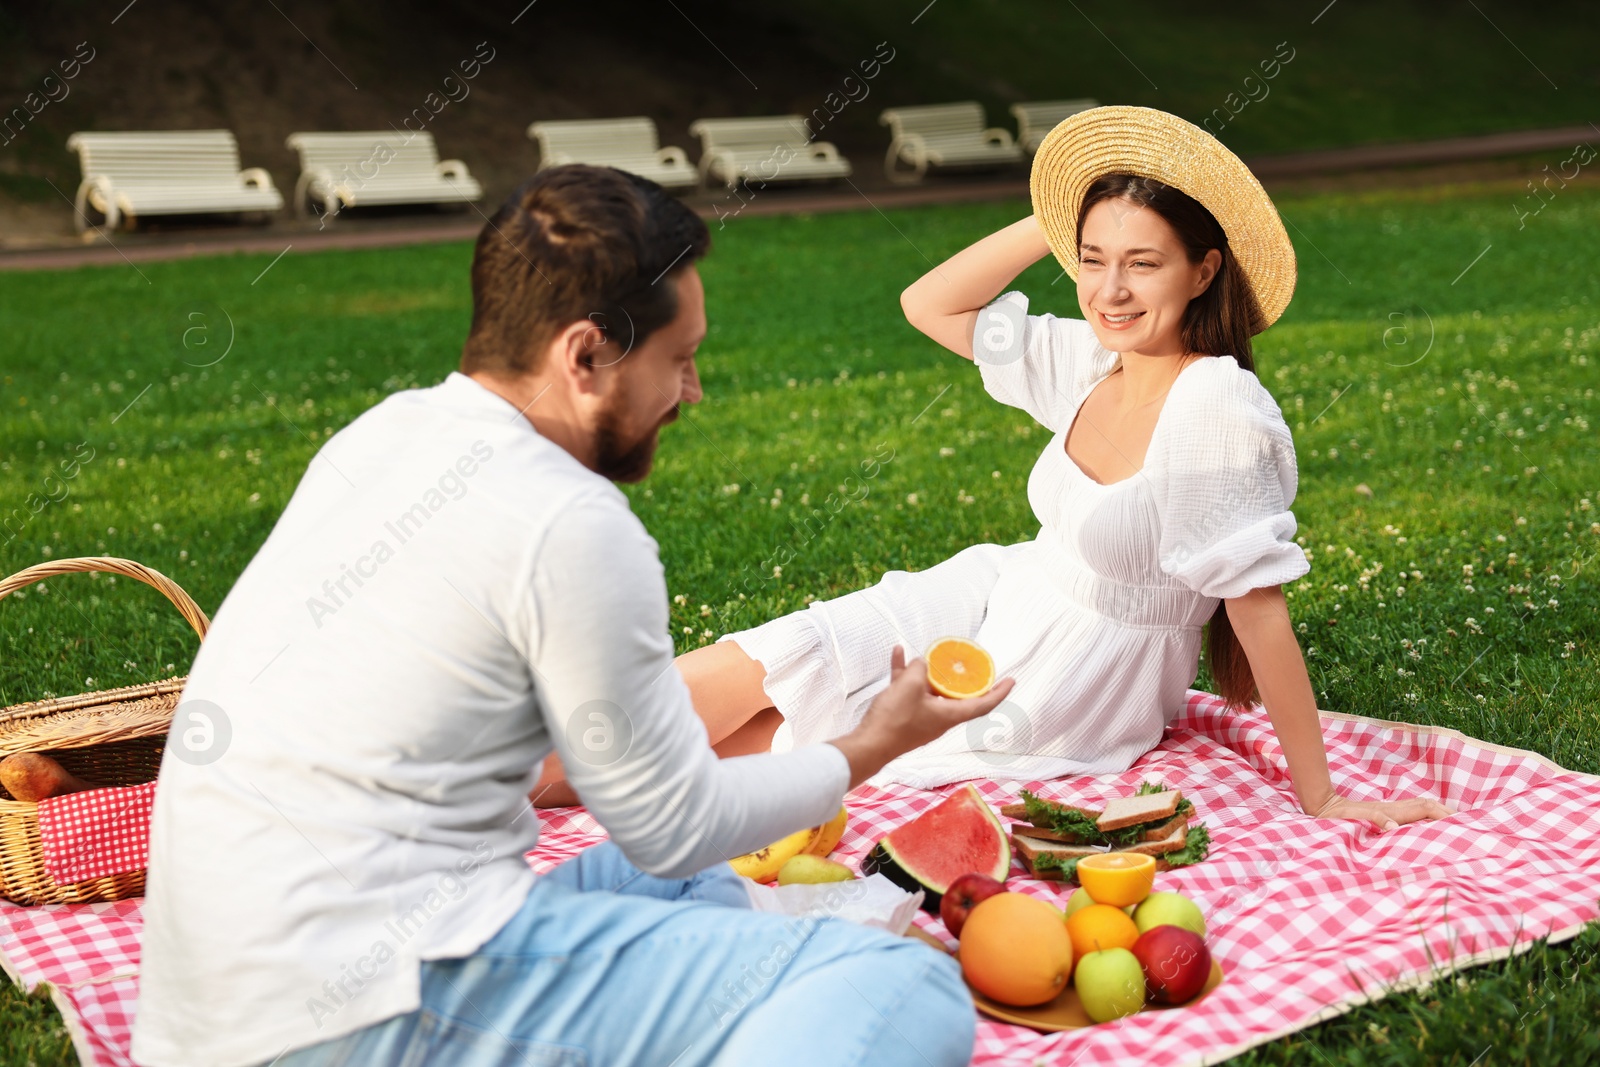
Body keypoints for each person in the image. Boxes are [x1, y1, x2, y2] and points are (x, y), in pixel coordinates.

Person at [130, 164, 1015, 1067]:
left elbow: (655, 826)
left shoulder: (385, 433)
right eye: (678, 358)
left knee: (676, 886)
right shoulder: (570, 520)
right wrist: (872, 742)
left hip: (213, 1011)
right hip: (351, 1016)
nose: (694, 391)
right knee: (899, 984)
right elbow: (678, 819)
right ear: (586, 354)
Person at [531, 106, 1454, 834]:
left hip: (1070, 682)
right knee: (776, 656)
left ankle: (461, 773)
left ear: (1205, 270)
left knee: (716, 754)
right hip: (994, 588)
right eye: (1091, 262)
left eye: (1143, 263)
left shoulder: (1216, 409)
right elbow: (930, 304)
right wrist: (1057, 219)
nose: (1111, 291)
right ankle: (468, 752)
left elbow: (1258, 609)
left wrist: (1321, 795)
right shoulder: (1091, 359)